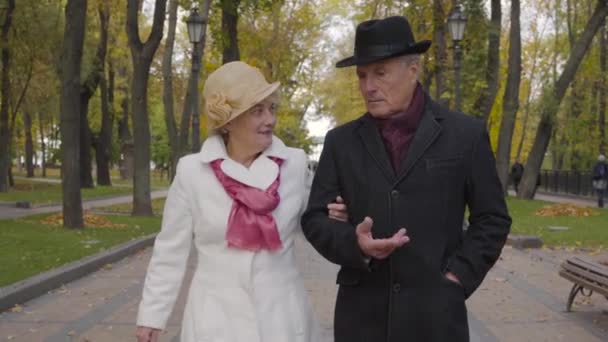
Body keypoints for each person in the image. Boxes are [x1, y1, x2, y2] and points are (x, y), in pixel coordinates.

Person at [301, 16, 512, 342]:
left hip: (436, 319)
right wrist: (355, 243)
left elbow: (493, 218)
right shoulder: (340, 142)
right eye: (362, 75)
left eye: (380, 73)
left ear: (413, 70)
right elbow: (315, 219)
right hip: (361, 321)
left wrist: (458, 277)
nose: (368, 86)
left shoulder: (464, 135)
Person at [135, 61, 348, 342]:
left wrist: (336, 217)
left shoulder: (294, 164)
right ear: (228, 121)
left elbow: (313, 226)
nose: (269, 120)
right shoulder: (192, 172)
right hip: (214, 320)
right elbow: (169, 250)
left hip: (282, 318)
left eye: (271, 109)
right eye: (257, 111)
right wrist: (152, 316)